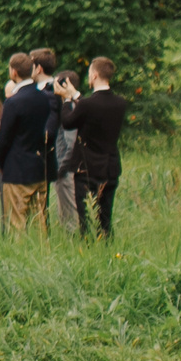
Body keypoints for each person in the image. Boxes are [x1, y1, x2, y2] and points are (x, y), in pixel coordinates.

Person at [57, 57, 128, 236]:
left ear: (94, 75)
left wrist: (67, 101)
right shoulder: (120, 103)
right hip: (110, 165)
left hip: (87, 168)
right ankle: (106, 245)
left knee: (86, 218)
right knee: (105, 217)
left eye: (89, 74)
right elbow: (94, 107)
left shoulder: (87, 105)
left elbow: (68, 122)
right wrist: (75, 95)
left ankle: (88, 246)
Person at [0, 52, 58, 235]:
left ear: (13, 72)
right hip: (40, 165)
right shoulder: (46, 97)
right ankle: (42, 256)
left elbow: (4, 138)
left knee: (17, 222)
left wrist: (2, 162)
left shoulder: (13, 102)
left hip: (17, 168)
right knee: (40, 222)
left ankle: (19, 257)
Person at [31, 48, 78, 231]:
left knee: (66, 208)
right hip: (48, 158)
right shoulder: (36, 91)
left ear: (38, 68)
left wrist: (62, 166)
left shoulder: (53, 92)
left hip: (55, 157)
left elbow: (61, 132)